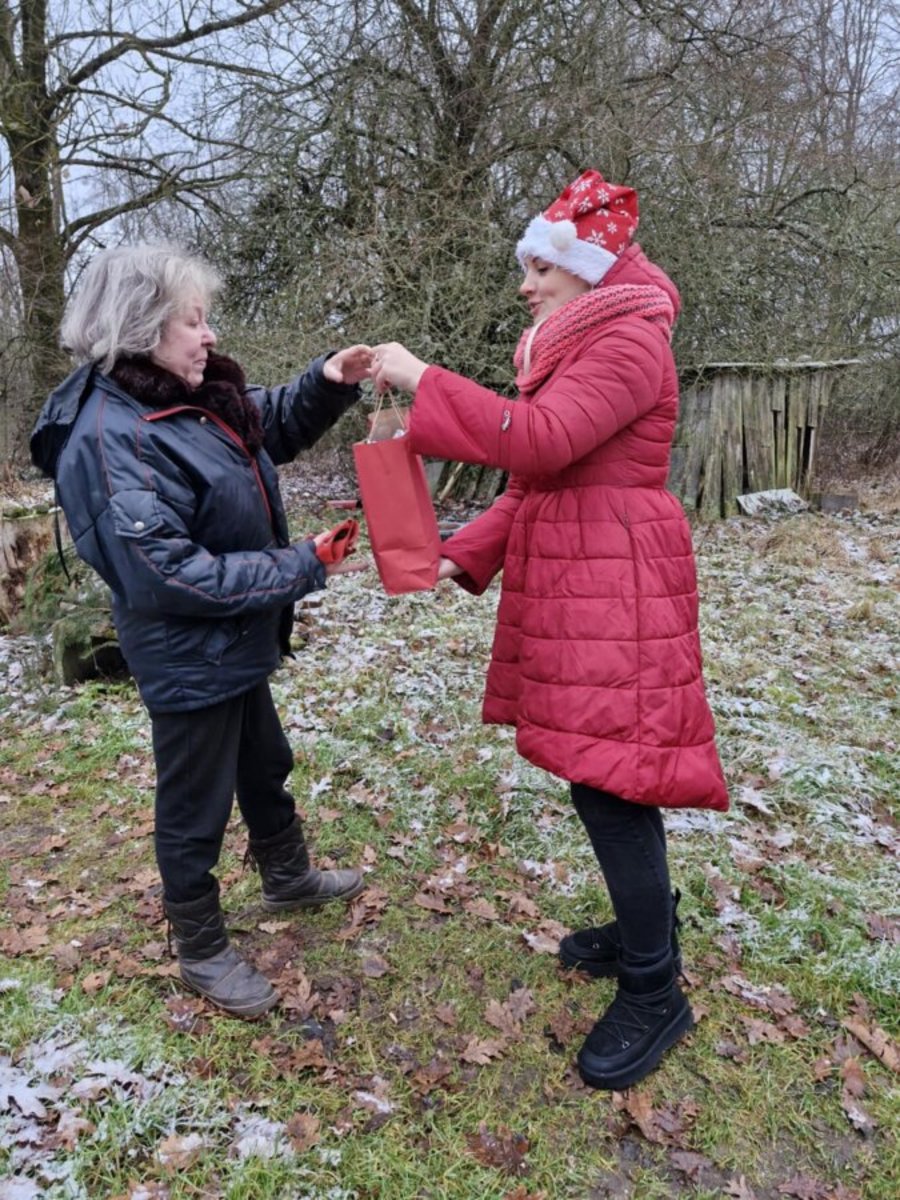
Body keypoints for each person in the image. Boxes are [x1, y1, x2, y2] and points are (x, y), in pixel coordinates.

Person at [371, 170, 729, 1090]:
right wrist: (462, 555)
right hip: (585, 573)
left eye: (540, 266)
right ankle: (645, 931)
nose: (525, 284)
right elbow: (538, 482)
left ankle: (656, 988)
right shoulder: (580, 342)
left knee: (616, 783)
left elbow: (534, 441)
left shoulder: (629, 339)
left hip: (618, 583)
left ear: (589, 268)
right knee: (596, 772)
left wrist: (422, 382)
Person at [31, 244, 373, 1019]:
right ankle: (201, 945)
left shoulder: (182, 397)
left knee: (264, 762)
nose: (208, 334)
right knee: (195, 804)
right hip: (188, 652)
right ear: (144, 326)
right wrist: (303, 566)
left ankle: (287, 877)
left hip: (235, 638)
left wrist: (327, 382)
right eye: (193, 320)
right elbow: (168, 573)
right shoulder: (107, 437)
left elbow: (260, 434)